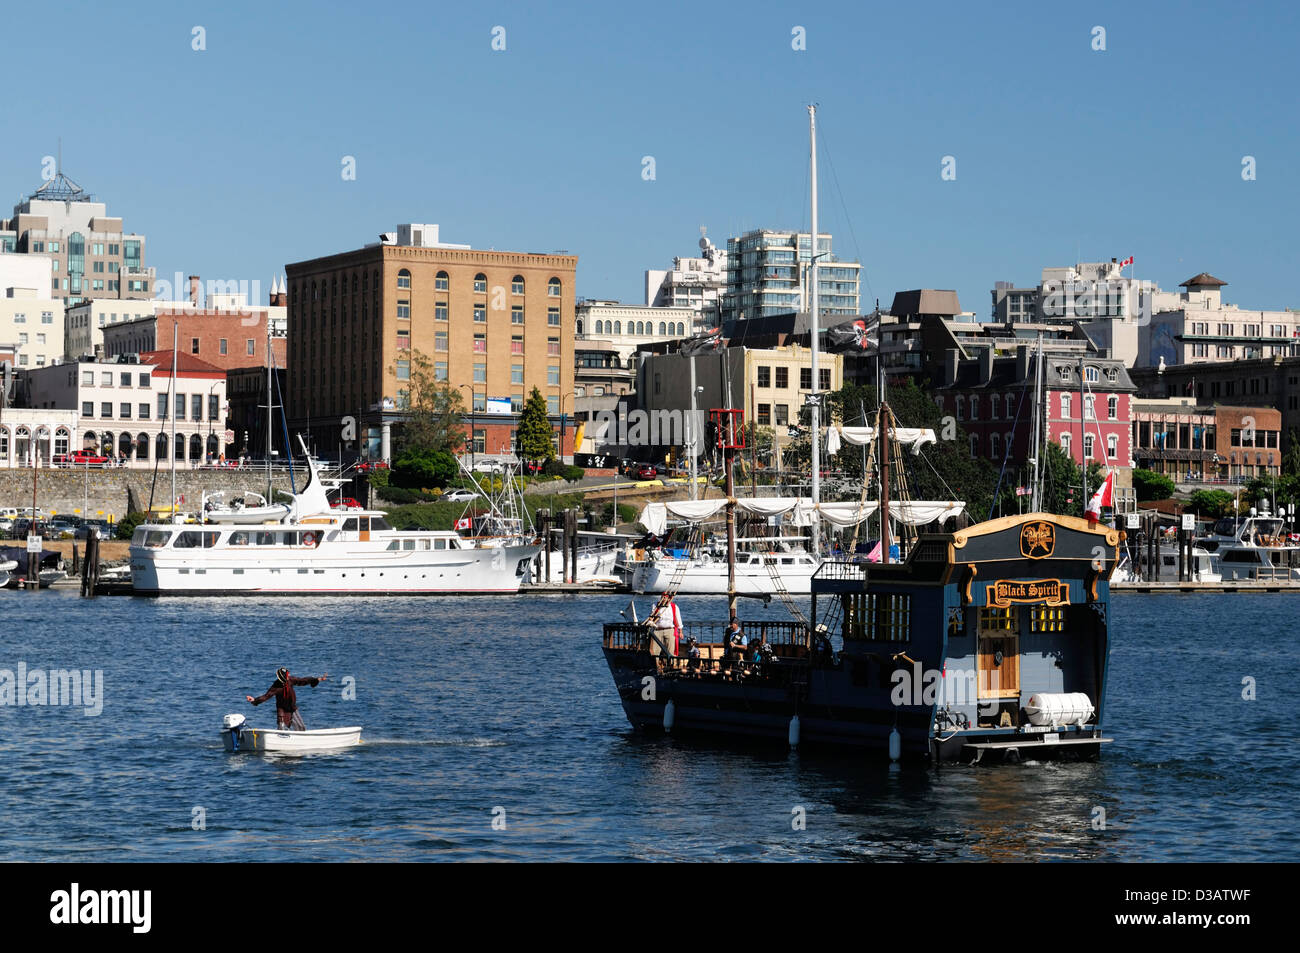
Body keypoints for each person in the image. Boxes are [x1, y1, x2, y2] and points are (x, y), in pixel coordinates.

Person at [245, 667, 329, 730]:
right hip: (282, 711)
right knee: (282, 730)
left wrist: (318, 679)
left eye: (288, 675)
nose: (288, 677)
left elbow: (303, 680)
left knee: (301, 728)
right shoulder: (276, 686)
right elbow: (266, 696)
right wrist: (254, 700)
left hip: (292, 709)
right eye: (287, 676)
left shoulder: (290, 680)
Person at [646, 591, 682, 657]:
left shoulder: (674, 607)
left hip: (669, 630)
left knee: (670, 650)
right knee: (656, 650)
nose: (663, 598)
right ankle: (656, 663)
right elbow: (651, 616)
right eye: (662, 597)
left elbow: (679, 620)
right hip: (657, 630)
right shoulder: (656, 606)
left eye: (665, 597)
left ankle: (669, 664)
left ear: (669, 599)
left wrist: (680, 632)